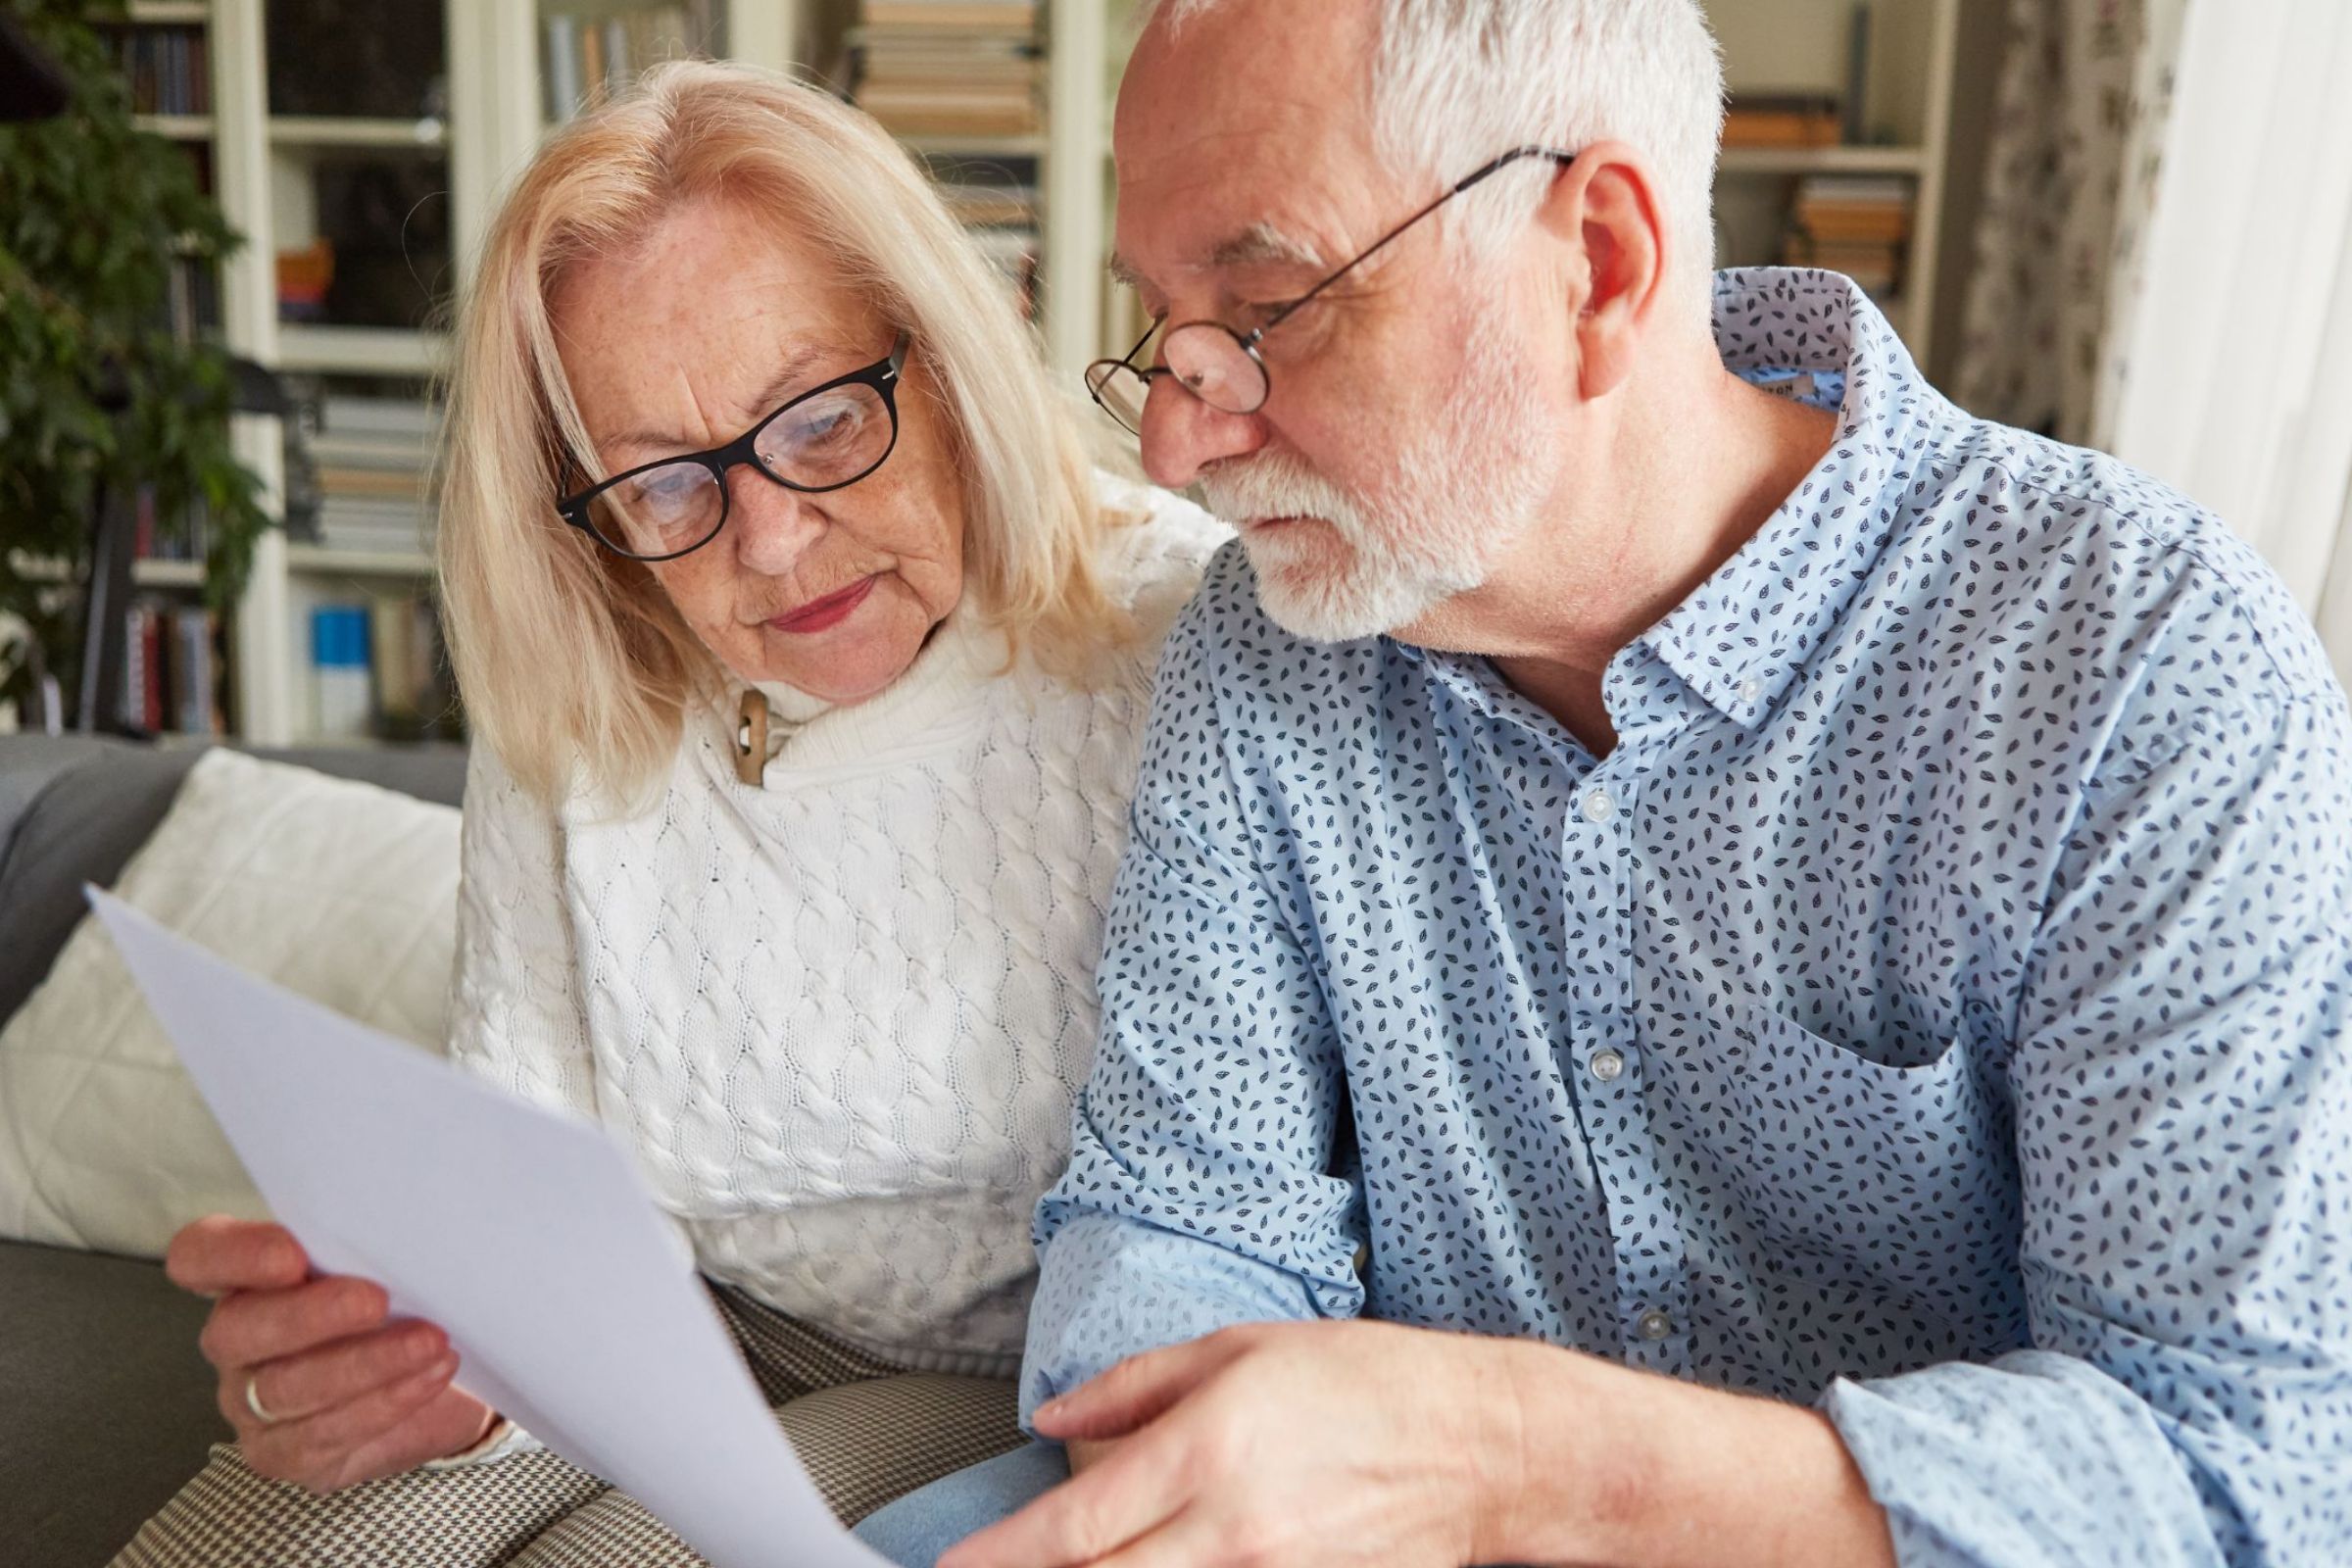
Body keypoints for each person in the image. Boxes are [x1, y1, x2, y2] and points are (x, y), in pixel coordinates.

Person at [854, 2, 2352, 1565]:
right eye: (1163, 325)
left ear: (1600, 265)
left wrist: (1512, 1458)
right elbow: (1181, 1212)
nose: (1172, 443)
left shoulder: (2136, 665)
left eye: (1270, 307)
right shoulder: (1273, 639)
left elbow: (2242, 1473)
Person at [117, 60, 1222, 1568]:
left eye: (826, 421)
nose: (769, 542)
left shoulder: (1186, 641)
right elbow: (528, 1157)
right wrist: (436, 1370)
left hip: (1013, 1379)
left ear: (952, 358)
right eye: (662, 485)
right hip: (654, 1320)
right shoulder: (592, 670)